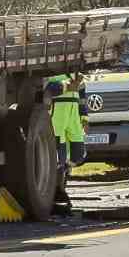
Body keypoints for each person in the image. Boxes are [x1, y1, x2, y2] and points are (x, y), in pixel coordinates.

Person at [47, 73, 89, 211]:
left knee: (78, 155)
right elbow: (46, 89)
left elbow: (82, 97)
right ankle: (58, 191)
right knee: (59, 158)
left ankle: (61, 180)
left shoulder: (77, 72)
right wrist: (67, 86)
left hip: (74, 118)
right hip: (57, 117)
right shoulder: (53, 69)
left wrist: (84, 117)